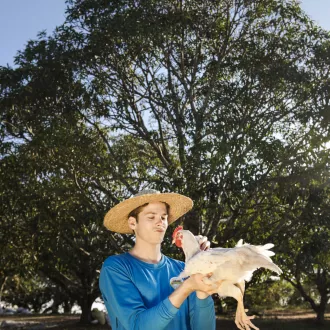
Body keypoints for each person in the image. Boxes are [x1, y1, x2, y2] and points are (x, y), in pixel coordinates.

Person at [99, 189, 217, 330]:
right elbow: (137, 325)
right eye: (151, 217)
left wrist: (202, 285)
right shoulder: (116, 267)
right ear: (132, 223)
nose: (160, 222)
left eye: (163, 217)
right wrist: (187, 287)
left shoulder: (183, 270)